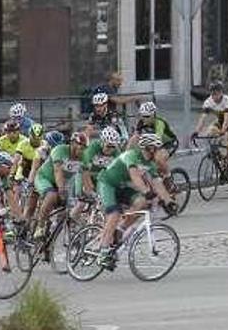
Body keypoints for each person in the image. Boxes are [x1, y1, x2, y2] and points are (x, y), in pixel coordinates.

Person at [95, 134, 176, 268]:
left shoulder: (149, 163)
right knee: (114, 214)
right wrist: (146, 191)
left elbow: (157, 183)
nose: (161, 152)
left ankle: (120, 230)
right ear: (150, 149)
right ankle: (103, 252)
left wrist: (169, 201)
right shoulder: (131, 155)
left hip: (122, 187)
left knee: (142, 203)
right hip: (107, 183)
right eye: (158, 148)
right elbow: (135, 176)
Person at [33, 132, 89, 239]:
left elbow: (82, 177)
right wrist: (62, 190)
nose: (82, 150)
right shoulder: (60, 150)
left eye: (84, 148)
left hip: (64, 183)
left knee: (71, 207)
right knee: (52, 196)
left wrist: (82, 194)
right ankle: (40, 226)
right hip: (45, 178)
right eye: (80, 147)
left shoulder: (83, 157)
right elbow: (57, 171)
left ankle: (55, 236)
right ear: (72, 143)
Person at [193, 81, 228, 179]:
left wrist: (223, 131)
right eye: (212, 93)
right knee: (210, 131)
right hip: (220, 122)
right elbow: (203, 118)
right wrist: (196, 131)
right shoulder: (208, 101)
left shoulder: (227, 100)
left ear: (221, 92)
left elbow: (227, 119)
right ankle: (219, 160)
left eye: (216, 93)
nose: (214, 96)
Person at [73, 127, 122, 221]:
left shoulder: (116, 153)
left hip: (100, 177)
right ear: (102, 142)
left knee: (104, 201)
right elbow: (83, 168)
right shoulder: (93, 148)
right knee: (82, 202)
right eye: (108, 146)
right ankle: (69, 222)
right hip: (84, 173)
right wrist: (88, 188)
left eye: (113, 147)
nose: (110, 149)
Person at [129, 101, 177, 175]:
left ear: (153, 115)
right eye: (142, 116)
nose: (144, 119)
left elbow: (158, 139)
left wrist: (149, 148)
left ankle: (168, 177)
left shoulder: (159, 123)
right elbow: (134, 138)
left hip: (168, 143)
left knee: (159, 159)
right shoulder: (141, 122)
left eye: (147, 116)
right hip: (153, 143)